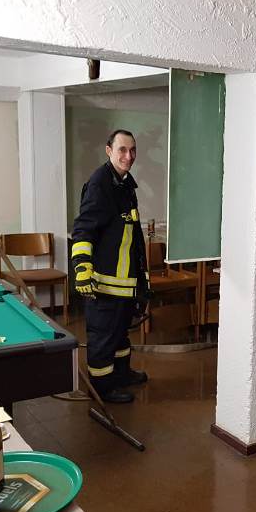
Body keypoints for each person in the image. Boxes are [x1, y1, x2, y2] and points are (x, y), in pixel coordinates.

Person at [71, 130, 150, 403]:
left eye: (132, 150)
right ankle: (102, 388)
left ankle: (121, 374)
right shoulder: (100, 184)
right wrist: (82, 268)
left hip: (124, 281)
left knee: (119, 334)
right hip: (105, 282)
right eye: (122, 150)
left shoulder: (124, 184)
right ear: (109, 150)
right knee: (103, 336)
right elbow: (83, 229)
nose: (129, 156)